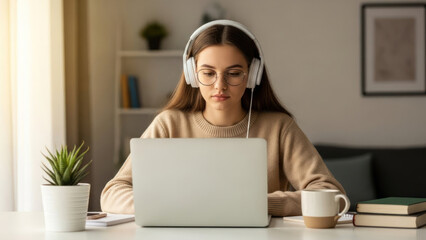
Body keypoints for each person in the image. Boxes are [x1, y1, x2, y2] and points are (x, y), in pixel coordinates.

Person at [101, 20, 345, 217]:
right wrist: (173, 205)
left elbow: (332, 196)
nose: (220, 85)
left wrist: (258, 204)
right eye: (208, 73)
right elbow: (112, 194)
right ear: (192, 75)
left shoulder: (279, 128)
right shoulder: (169, 124)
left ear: (253, 76)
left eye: (234, 73)